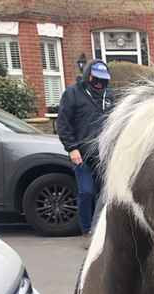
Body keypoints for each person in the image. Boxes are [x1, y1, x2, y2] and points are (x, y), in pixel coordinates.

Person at [56, 59, 114, 245]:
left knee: (105, 194)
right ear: (88, 76)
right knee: (87, 193)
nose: (99, 83)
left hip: (104, 155)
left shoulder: (109, 95)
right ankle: (87, 230)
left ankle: (101, 230)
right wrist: (72, 148)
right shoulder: (72, 94)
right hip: (81, 154)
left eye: (102, 80)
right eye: (95, 79)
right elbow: (63, 124)